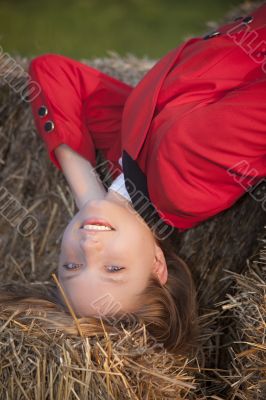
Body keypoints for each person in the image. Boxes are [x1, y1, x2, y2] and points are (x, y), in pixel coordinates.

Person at [23, 2, 266, 353]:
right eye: (114, 267)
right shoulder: (180, 184)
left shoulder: (129, 166)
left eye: (71, 264)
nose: (89, 246)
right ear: (157, 264)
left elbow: (53, 72)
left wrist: (90, 196)